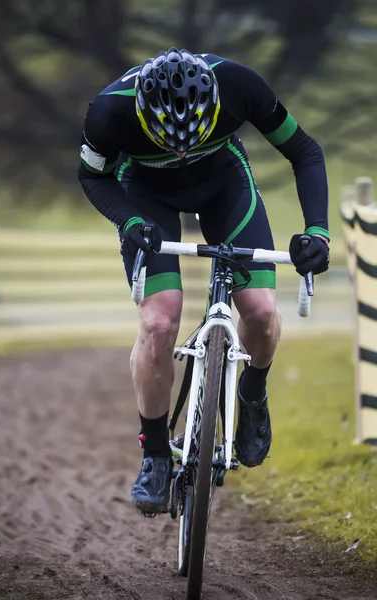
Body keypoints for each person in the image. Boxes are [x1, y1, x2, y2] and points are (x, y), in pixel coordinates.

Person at [78, 48, 330, 516]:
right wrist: (128, 219)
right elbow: (92, 177)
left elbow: (305, 151)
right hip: (146, 196)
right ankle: (155, 454)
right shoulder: (109, 109)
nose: (180, 151)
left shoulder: (240, 86)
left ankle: (252, 391)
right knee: (159, 321)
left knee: (257, 308)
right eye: (167, 140)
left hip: (223, 187)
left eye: (190, 139)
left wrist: (317, 230)